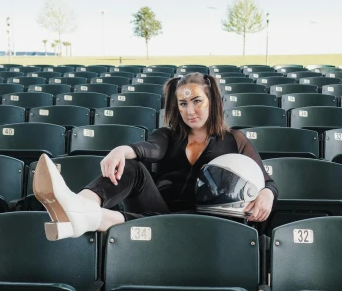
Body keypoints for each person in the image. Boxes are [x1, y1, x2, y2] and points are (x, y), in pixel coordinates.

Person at [33, 72, 278, 240]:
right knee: (132, 167)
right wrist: (122, 150)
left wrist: (267, 194)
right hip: (157, 208)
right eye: (182, 104)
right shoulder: (168, 135)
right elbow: (151, 148)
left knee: (200, 214)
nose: (189, 111)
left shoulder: (234, 140)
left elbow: (266, 182)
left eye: (196, 101)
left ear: (212, 101)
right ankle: (81, 205)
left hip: (205, 221)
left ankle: (88, 219)